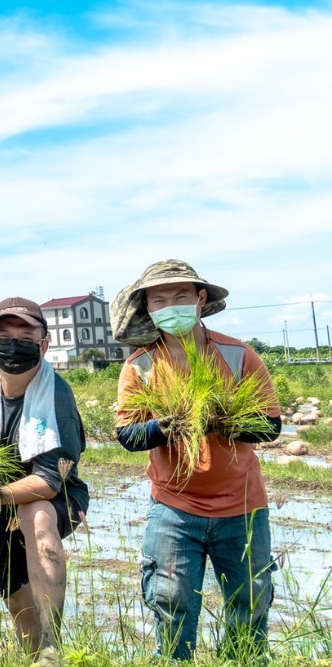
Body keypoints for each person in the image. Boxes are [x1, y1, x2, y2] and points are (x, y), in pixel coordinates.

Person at [112, 260, 281, 660]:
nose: (171, 305)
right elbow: (127, 435)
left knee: (250, 605)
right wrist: (163, 428)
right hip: (173, 510)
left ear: (200, 299)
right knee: (171, 604)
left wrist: (222, 422)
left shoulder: (237, 355)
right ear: (148, 308)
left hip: (243, 508)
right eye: (160, 299)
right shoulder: (141, 365)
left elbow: (271, 425)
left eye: (181, 296)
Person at [0, 298, 89, 665]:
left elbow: (48, 481)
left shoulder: (56, 394)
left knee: (38, 513)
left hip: (55, 496)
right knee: (16, 597)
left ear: (43, 344)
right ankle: (35, 657)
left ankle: (51, 646)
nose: (14, 343)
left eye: (26, 335)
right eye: (4, 334)